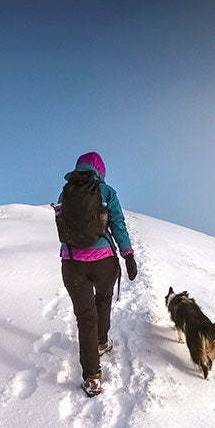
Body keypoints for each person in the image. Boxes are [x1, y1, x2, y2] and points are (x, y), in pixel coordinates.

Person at [57, 152, 137, 396]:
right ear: (100, 171)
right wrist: (128, 254)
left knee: (85, 318)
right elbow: (118, 224)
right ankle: (101, 341)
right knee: (103, 298)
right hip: (104, 261)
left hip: (72, 263)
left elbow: (62, 227)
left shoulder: (65, 192)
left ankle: (92, 377)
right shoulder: (107, 191)